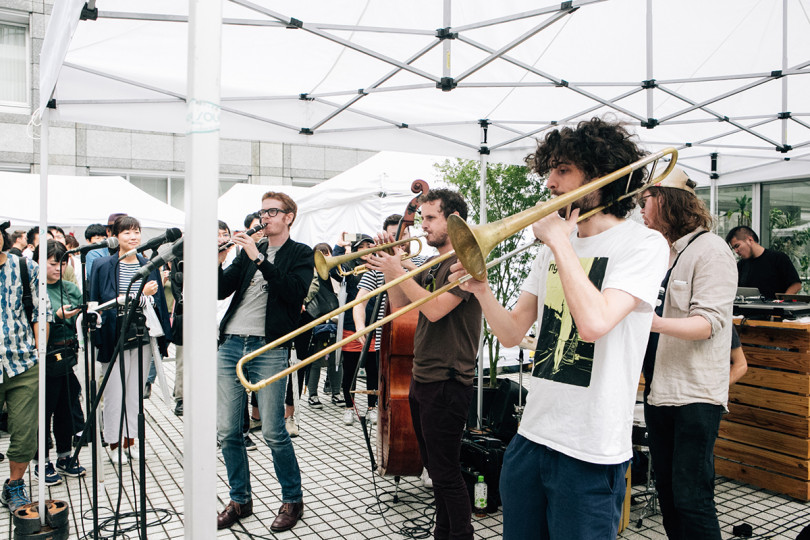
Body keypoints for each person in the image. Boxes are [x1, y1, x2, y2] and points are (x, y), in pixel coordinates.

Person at [450, 118, 670, 539]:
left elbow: (594, 323)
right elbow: (513, 333)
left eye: (563, 169)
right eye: (549, 170)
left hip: (590, 449)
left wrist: (562, 244)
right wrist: (482, 291)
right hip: (531, 437)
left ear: (603, 175)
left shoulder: (643, 245)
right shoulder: (552, 248)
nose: (549, 182)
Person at [366, 188, 483, 540]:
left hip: (448, 381)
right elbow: (401, 305)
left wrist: (401, 267)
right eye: (423, 218)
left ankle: (460, 534)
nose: (423, 226)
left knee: (446, 472)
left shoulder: (464, 261)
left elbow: (433, 309)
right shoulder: (432, 264)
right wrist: (392, 268)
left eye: (431, 218)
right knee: (435, 470)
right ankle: (442, 534)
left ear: (453, 221)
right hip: (423, 377)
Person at [639, 168, 737, 540]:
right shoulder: (666, 253)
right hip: (660, 391)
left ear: (667, 199)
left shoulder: (711, 250)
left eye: (645, 200)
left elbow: (709, 323)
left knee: (692, 498)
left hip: (694, 395)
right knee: (668, 496)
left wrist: (652, 322)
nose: (641, 210)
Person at [216, 191, 311, 532]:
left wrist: (258, 258)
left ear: (289, 216)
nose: (265, 217)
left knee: (273, 431)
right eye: (262, 211)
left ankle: (292, 499)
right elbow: (221, 289)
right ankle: (239, 500)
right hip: (230, 344)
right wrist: (220, 258)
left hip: (269, 347)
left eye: (272, 211)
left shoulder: (300, 253)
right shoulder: (246, 253)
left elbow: (292, 292)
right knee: (228, 431)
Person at [89, 216, 172, 465]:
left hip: (141, 334)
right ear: (115, 236)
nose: (133, 237)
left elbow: (157, 302)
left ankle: (131, 440)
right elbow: (98, 302)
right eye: (126, 233)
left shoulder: (149, 264)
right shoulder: (103, 265)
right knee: (114, 393)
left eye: (136, 232)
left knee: (135, 392)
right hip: (114, 336)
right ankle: (113, 443)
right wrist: (139, 294)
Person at [0, 219, 52, 513]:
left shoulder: (24, 267)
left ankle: (14, 486)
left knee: (24, 433)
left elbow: (41, 310)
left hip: (23, 363)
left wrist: (38, 349)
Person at [38, 240, 87, 484]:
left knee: (66, 409)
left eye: (62, 262)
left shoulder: (70, 287)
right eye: (53, 263)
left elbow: (82, 316)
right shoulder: (35, 288)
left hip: (69, 356)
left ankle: (65, 456)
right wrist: (55, 317)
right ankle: (41, 461)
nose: (58, 268)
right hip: (44, 357)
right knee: (44, 411)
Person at [725, 225, 801, 299]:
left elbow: (796, 285)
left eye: (737, 246)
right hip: (747, 310)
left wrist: (782, 302)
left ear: (750, 240)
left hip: (774, 310)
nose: (736, 251)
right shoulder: (742, 264)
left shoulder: (778, 258)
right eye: (733, 248)